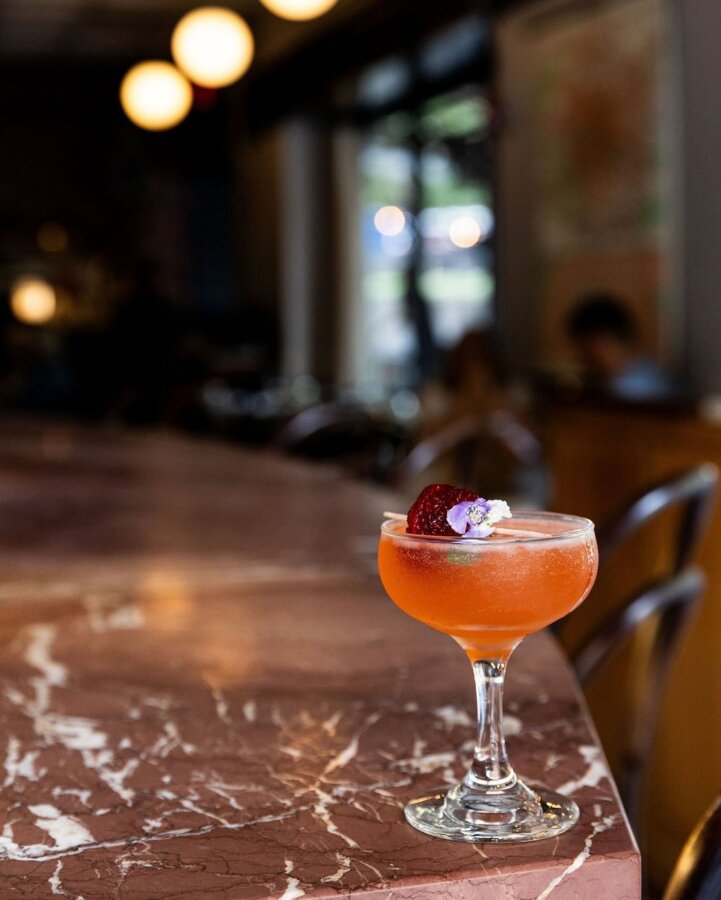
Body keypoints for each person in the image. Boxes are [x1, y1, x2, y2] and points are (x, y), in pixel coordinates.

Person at [566, 293, 685, 402]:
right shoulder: (650, 370)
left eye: (585, 348)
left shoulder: (631, 388)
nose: (582, 358)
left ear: (601, 341)